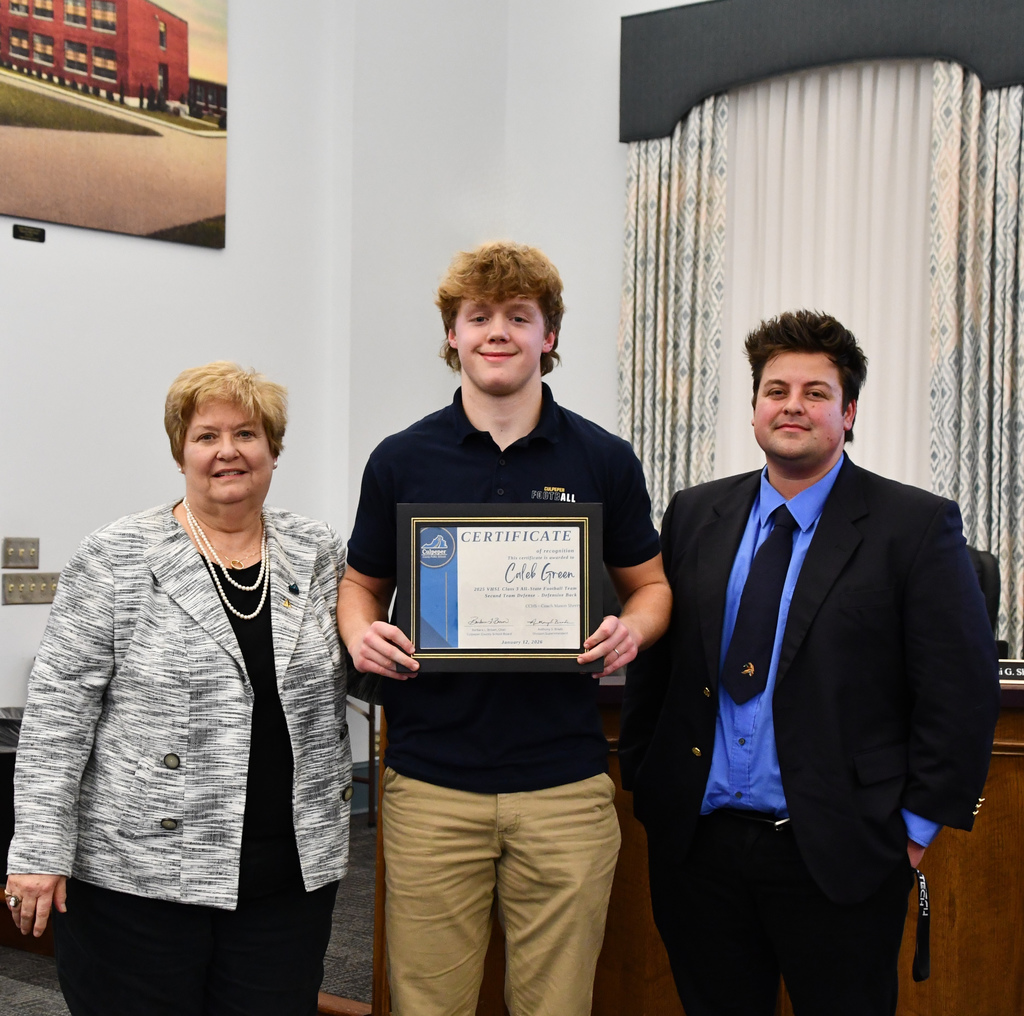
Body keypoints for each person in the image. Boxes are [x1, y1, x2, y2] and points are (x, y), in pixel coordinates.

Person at [619, 310, 1001, 1016]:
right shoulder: (694, 514)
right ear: (755, 407)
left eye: (816, 392)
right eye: (776, 389)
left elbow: (961, 692)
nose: (793, 404)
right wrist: (646, 781)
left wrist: (913, 834)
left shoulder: (913, 526)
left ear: (848, 412)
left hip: (840, 851)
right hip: (700, 849)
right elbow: (658, 669)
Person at [337, 240, 671, 1016]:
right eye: (478, 316)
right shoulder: (399, 459)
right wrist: (360, 632)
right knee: (427, 1006)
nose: (497, 332)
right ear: (451, 335)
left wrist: (634, 631)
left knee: (556, 1007)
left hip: (565, 786)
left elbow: (650, 587)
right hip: (429, 783)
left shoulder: (604, 459)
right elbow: (360, 587)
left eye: (519, 317)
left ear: (548, 337)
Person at [3, 362, 352, 1016]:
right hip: (138, 879)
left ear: (274, 449)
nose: (228, 451)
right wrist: (39, 852)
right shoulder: (116, 553)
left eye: (247, 433)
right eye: (206, 436)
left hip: (285, 877)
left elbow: (355, 659)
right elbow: (57, 717)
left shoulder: (318, 550)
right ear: (180, 452)